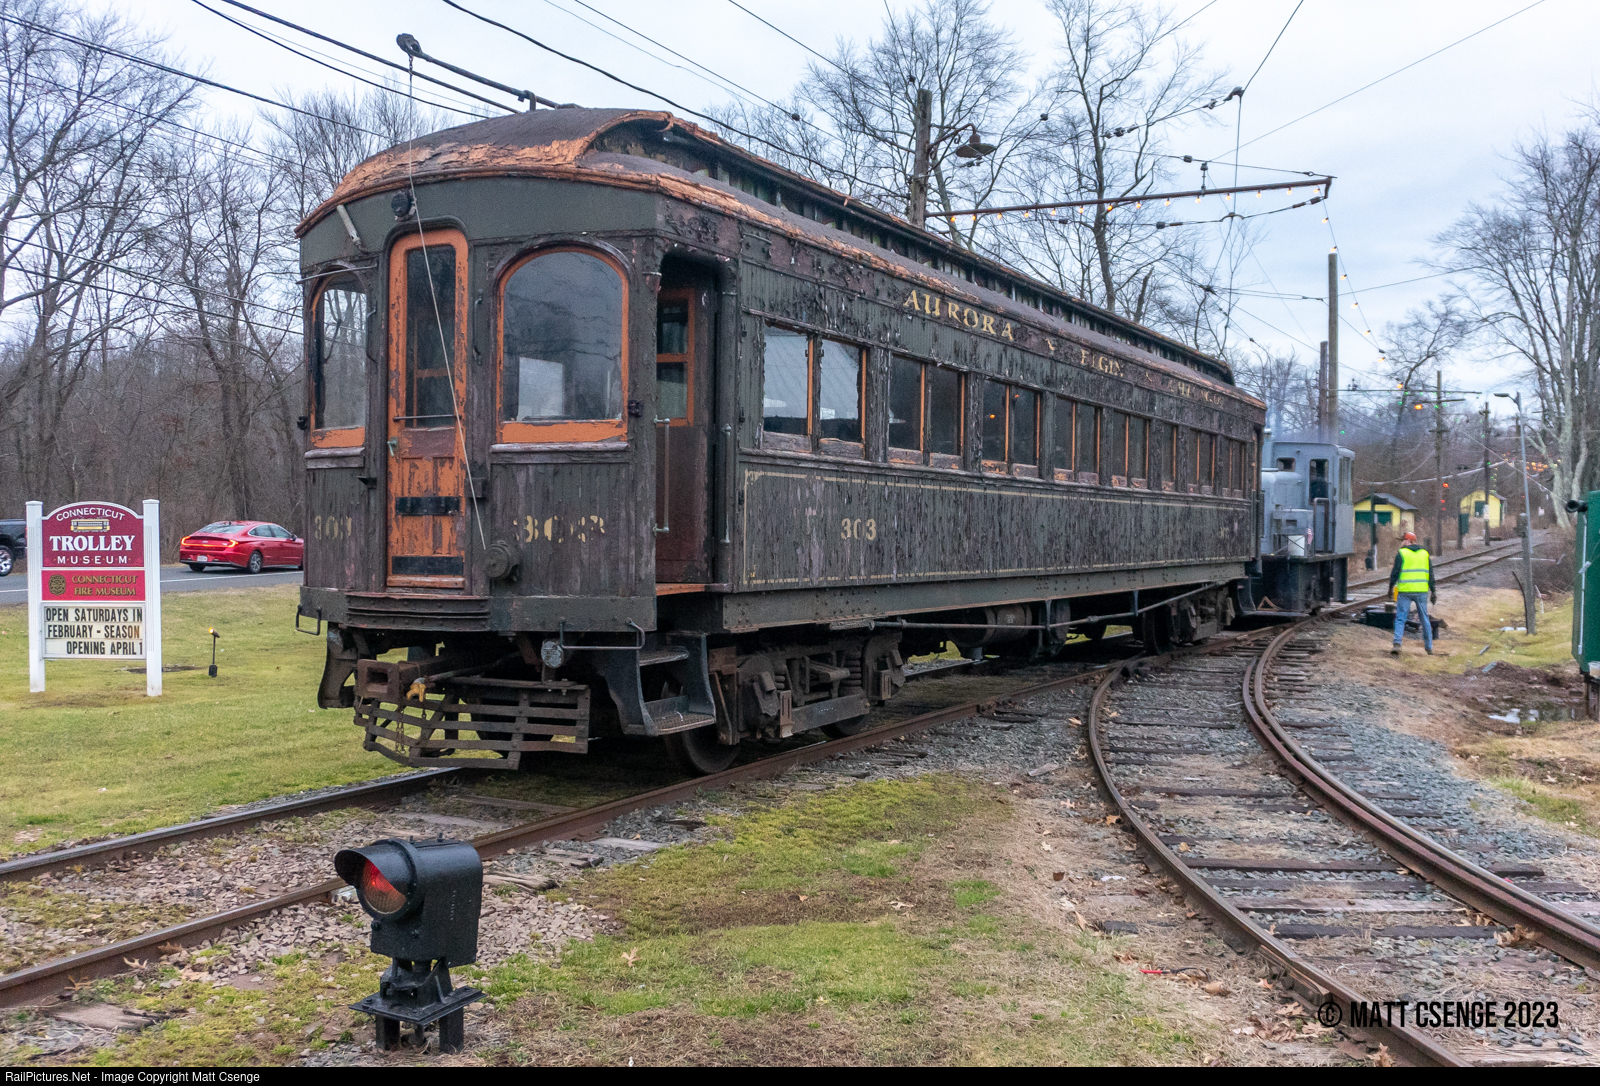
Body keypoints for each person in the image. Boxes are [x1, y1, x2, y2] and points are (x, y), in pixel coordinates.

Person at [1387, 532, 1435, 655]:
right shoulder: (1425, 554)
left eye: (1403, 540)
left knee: (1400, 618)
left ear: (1409, 541)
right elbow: (1431, 574)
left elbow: (1395, 573)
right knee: (1424, 619)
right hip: (1421, 591)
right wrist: (1433, 591)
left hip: (1405, 591)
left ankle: (1397, 644)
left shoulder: (1401, 553)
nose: (1401, 543)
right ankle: (1429, 647)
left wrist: (1390, 588)